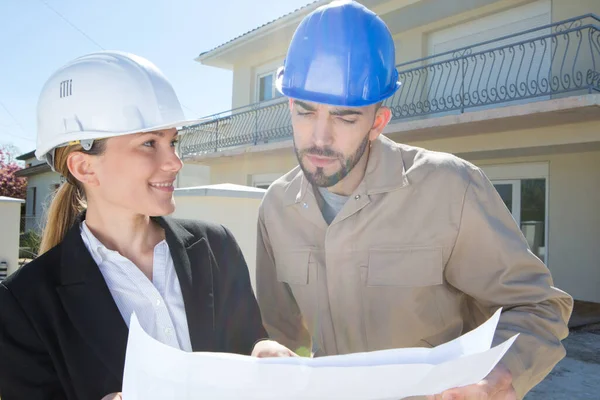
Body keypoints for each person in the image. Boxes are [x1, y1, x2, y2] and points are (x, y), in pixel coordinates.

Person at [255, 1, 573, 399]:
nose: (319, 137)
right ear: (288, 105)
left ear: (378, 122)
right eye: (305, 111)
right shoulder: (274, 208)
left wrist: (501, 374)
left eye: (345, 117)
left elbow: (539, 307)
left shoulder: (451, 188)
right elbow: (286, 334)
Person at [0, 51, 294, 400]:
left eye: (172, 141)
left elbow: (246, 341)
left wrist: (261, 352)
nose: (174, 161)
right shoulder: (23, 302)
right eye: (149, 144)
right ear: (84, 168)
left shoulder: (216, 247)